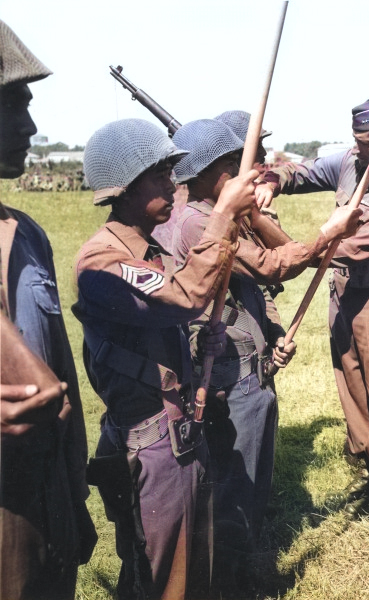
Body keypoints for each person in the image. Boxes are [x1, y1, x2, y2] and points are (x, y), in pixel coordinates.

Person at [171, 118, 361, 593]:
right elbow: (274, 264)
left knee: (242, 481)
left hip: (243, 362)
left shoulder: (210, 211)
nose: (250, 173)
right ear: (215, 171)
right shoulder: (200, 219)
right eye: (238, 166)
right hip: (232, 376)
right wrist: (329, 231)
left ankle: (233, 570)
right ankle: (235, 582)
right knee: (239, 486)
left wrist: (273, 330)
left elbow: (256, 284)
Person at [72, 117, 259, 600]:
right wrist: (221, 218)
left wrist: (197, 350)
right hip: (150, 444)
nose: (173, 184)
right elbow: (182, 297)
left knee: (191, 570)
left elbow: (158, 326)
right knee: (162, 581)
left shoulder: (150, 252)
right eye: (160, 175)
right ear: (126, 188)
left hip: (178, 435)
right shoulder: (103, 262)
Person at [256, 97, 369, 518]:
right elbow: (303, 172)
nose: (359, 149)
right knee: (350, 379)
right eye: (356, 141)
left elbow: (345, 249)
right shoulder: (349, 161)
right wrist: (272, 180)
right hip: (343, 292)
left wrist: (284, 243)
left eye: (367, 143)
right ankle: (365, 461)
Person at [0, 19, 96, 600]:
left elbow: (61, 381)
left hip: (42, 505)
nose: (31, 125)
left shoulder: (26, 233)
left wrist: (73, 499)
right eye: (12, 105)